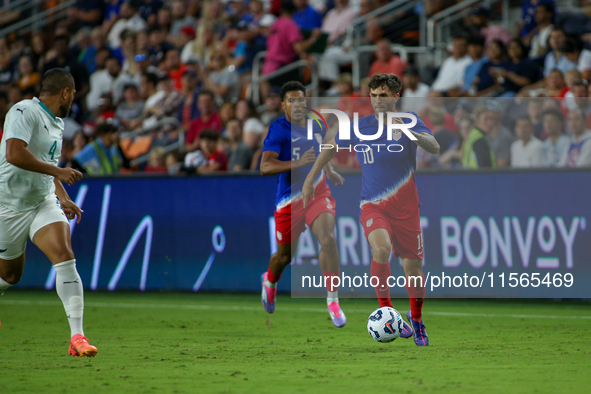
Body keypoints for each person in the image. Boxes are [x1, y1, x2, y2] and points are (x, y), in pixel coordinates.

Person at [303, 73, 438, 346]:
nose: (377, 100)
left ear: (396, 96)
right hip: (373, 205)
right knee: (381, 249)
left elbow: (434, 147)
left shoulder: (410, 120)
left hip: (407, 209)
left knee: (413, 270)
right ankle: (388, 311)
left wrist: (409, 130)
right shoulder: (359, 126)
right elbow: (329, 146)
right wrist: (310, 178)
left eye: (383, 95)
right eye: (373, 95)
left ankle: (417, 319)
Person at [0, 68, 97, 357]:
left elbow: (45, 166)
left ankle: (77, 337)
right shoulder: (23, 111)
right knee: (10, 275)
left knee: (65, 256)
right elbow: (14, 154)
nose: (73, 101)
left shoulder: (56, 123)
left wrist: (62, 195)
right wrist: (58, 170)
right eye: (73, 94)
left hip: (41, 202)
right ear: (65, 92)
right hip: (9, 206)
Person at [259, 81, 347, 328]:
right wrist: (296, 164)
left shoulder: (316, 120)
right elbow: (265, 167)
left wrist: (328, 169)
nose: (298, 105)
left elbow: (321, 148)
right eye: (292, 100)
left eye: (301, 100)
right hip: (289, 201)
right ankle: (270, 280)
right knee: (285, 256)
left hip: (318, 191)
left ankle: (332, 300)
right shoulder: (278, 130)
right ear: (283, 104)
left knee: (328, 238)